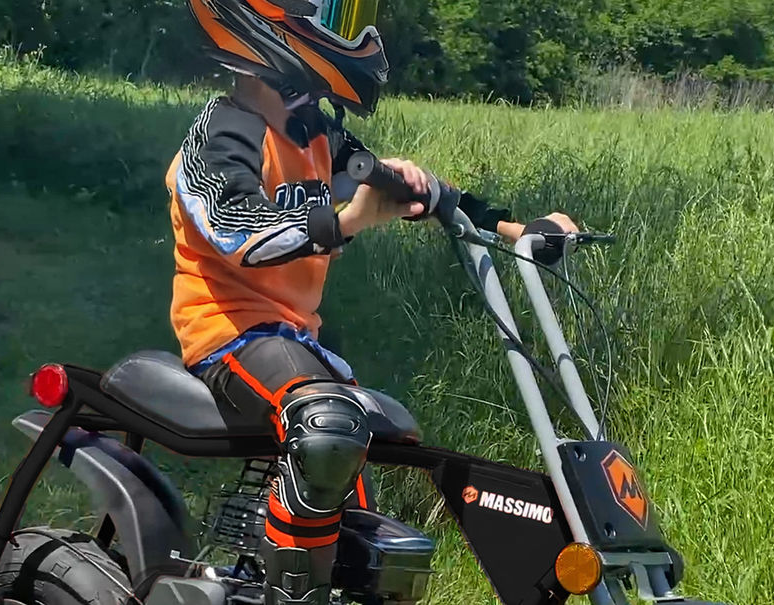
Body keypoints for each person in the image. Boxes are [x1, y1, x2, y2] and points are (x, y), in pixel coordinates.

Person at [169, 1, 576, 603]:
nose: (347, 32)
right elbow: (238, 230)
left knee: (379, 441)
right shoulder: (222, 133)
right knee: (327, 427)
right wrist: (346, 221)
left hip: (295, 338)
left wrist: (521, 231)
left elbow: (423, 193)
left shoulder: (314, 132)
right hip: (228, 332)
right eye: (330, 14)